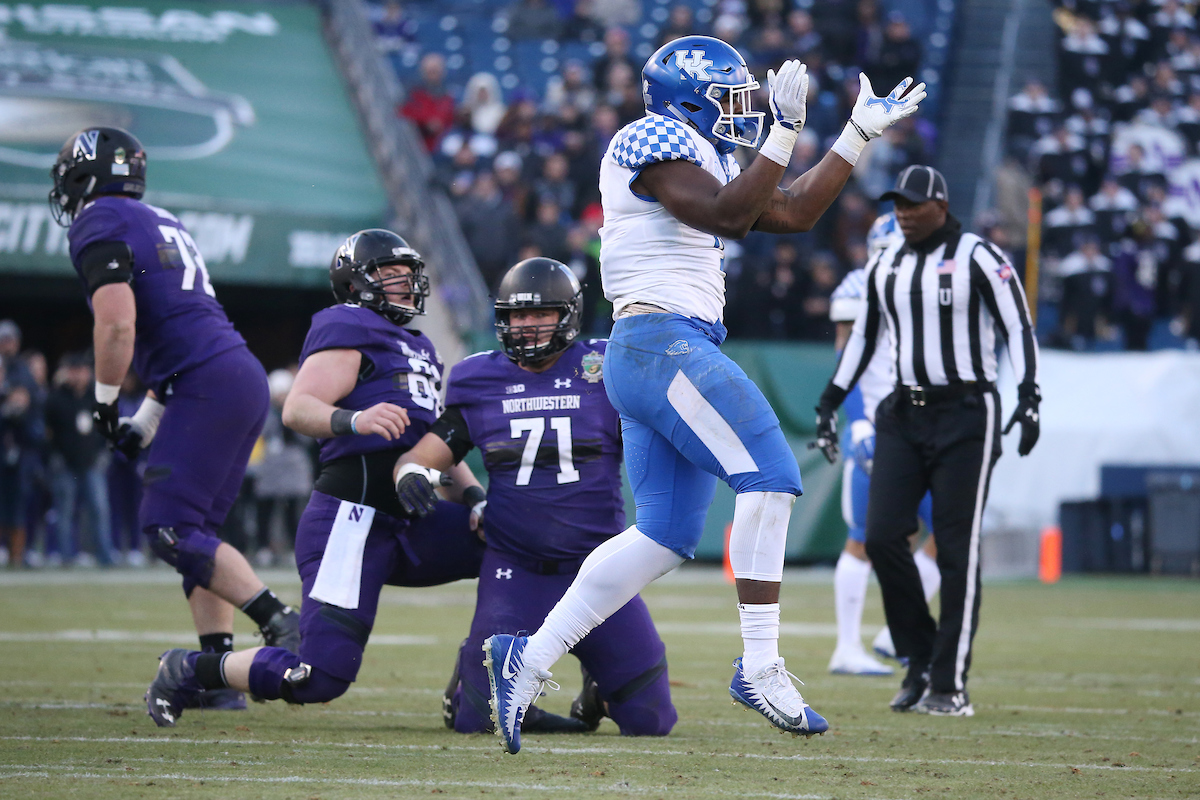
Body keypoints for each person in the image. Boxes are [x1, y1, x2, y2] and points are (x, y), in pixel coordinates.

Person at [481, 35, 926, 754]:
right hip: (662, 341)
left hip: (660, 348)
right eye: (732, 99)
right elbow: (725, 214)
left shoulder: (709, 156)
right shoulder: (650, 135)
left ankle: (525, 660)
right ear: (688, 98)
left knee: (662, 535)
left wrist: (855, 135)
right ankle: (760, 664)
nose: (745, 112)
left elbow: (790, 213)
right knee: (773, 480)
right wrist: (782, 133)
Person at [143, 229, 486, 727]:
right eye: (391, 276)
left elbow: (437, 446)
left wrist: (475, 499)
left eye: (409, 276)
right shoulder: (349, 325)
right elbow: (298, 407)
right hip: (350, 524)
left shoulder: (420, 346)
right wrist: (354, 419)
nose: (407, 287)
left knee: (509, 539)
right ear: (357, 284)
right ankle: (190, 669)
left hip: (410, 521)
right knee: (319, 677)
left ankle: (480, 676)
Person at [51, 127, 299, 712]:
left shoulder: (100, 221)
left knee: (170, 528)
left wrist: (105, 402)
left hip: (206, 381)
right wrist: (143, 416)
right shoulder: (160, 219)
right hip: (226, 373)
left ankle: (282, 624)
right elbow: (177, 336)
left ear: (85, 174)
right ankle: (216, 672)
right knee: (197, 537)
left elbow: (116, 326)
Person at [394, 258, 676, 739]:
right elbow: (420, 458)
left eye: (539, 314)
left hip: (599, 570)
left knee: (650, 721)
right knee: (478, 719)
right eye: (516, 315)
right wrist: (412, 475)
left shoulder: (605, 367)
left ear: (568, 314)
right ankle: (464, 686)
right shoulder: (480, 379)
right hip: (516, 568)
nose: (525, 326)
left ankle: (598, 690)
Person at [814, 166, 1041, 717]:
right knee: (885, 535)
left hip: (967, 410)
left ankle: (948, 681)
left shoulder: (980, 256)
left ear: (941, 205)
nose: (905, 214)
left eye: (914, 205)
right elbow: (864, 337)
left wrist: (1029, 396)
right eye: (898, 205)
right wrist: (829, 402)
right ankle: (918, 653)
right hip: (903, 409)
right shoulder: (886, 263)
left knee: (958, 548)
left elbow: (1019, 327)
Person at [825, 213, 940, 676]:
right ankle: (847, 647)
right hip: (879, 427)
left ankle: (897, 633)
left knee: (952, 535)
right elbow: (844, 359)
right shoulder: (859, 288)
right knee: (863, 541)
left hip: (926, 430)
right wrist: (857, 424)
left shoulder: (930, 287)